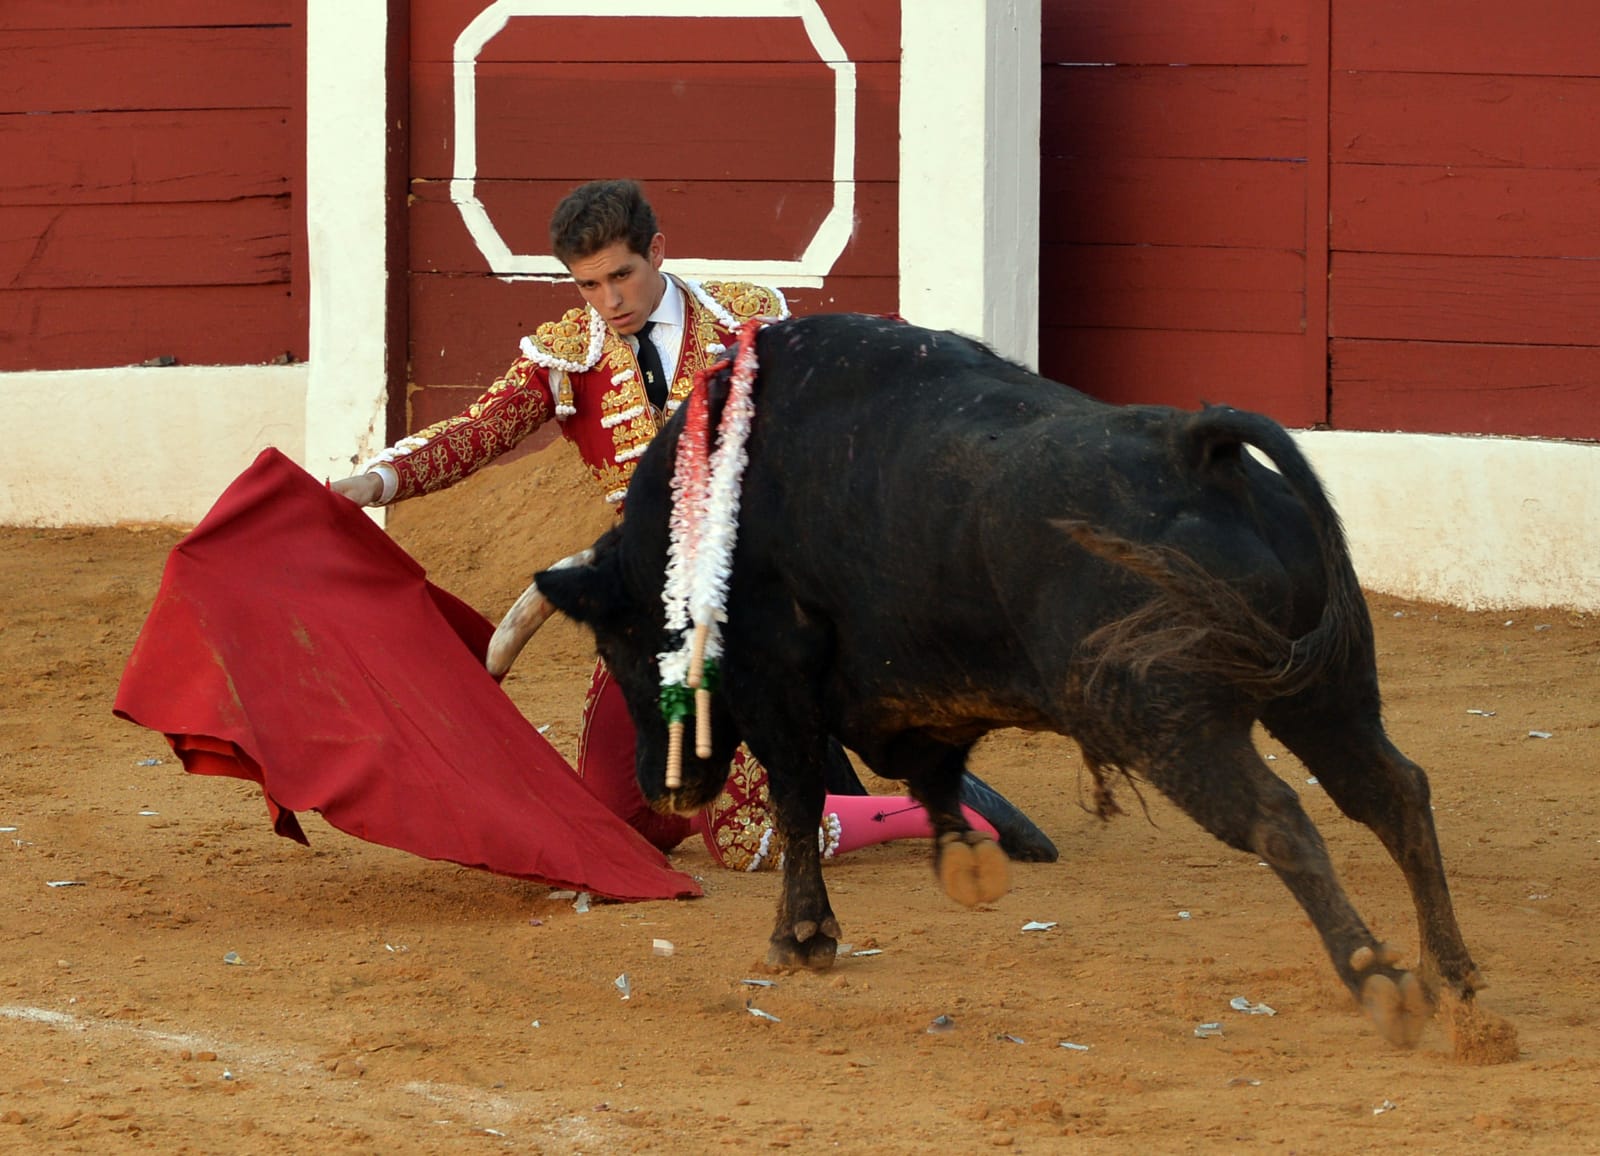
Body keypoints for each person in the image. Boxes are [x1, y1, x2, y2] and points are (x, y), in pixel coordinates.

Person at [331, 178, 1055, 869]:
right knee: (624, 817)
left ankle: (918, 810)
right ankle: (808, 768)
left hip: (748, 597)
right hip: (645, 601)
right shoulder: (566, 357)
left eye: (621, 276)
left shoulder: (747, 327)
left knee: (750, 846)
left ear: (659, 252)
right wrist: (372, 482)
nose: (608, 302)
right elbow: (478, 431)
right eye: (588, 285)